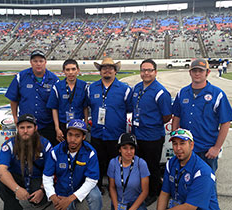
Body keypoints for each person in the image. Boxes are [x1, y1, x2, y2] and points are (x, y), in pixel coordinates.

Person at [172, 58, 232, 172]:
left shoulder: (217, 94)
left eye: (201, 71)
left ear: (208, 72)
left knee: (206, 185)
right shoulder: (182, 93)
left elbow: (226, 123)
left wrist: (216, 148)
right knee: (184, 182)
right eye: (194, 70)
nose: (197, 74)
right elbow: (176, 117)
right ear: (190, 72)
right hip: (185, 149)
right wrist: (175, 143)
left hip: (207, 151)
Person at [87, 57, 133, 193]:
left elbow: (129, 108)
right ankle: (97, 186)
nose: (107, 70)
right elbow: (89, 107)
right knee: (97, 162)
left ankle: (117, 187)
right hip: (97, 133)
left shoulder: (125, 89)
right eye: (104, 68)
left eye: (110, 68)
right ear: (100, 71)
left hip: (115, 134)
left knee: (116, 164)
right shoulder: (92, 88)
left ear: (115, 71)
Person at [131, 59, 172, 206]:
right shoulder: (137, 88)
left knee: (152, 166)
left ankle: (154, 192)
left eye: (149, 70)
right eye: (143, 70)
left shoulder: (161, 92)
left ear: (155, 72)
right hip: (138, 134)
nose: (146, 73)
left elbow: (167, 116)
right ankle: (144, 189)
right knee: (141, 165)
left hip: (152, 136)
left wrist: (152, 123)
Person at [0, 114, 52, 210]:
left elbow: (51, 170)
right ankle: (13, 207)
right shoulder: (9, 145)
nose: (25, 131)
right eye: (22, 128)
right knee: (0, 184)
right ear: (17, 128)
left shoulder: (45, 144)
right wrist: (16, 189)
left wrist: (42, 190)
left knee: (39, 201)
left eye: (29, 127)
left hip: (36, 178)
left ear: (35, 128)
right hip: (18, 177)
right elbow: (0, 169)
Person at [42, 119, 102, 210]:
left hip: (82, 185)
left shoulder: (90, 152)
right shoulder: (55, 151)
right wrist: (52, 196)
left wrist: (71, 198)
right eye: (70, 135)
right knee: (66, 206)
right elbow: (47, 176)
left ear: (83, 137)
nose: (73, 139)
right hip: (62, 189)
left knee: (96, 196)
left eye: (77, 136)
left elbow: (92, 180)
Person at [5, 50, 59, 146]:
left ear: (45, 62)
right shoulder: (20, 77)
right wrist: (15, 117)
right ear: (31, 62)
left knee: (48, 153)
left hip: (47, 124)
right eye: (35, 61)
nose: (38, 64)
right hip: (27, 126)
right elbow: (13, 99)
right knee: (27, 154)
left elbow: (58, 104)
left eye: (41, 61)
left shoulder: (54, 79)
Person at [156, 128, 219, 210]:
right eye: (175, 144)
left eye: (182, 143)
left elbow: (190, 207)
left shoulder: (203, 172)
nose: (178, 148)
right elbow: (164, 193)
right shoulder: (171, 163)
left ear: (191, 145)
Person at [47, 59, 88, 143]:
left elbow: (85, 107)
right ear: (63, 71)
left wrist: (86, 123)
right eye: (68, 70)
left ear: (78, 70)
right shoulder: (57, 87)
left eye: (73, 69)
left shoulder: (84, 86)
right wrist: (57, 128)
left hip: (78, 124)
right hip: (62, 124)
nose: (71, 72)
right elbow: (54, 109)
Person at [107, 133, 150, 210]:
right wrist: (116, 207)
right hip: (119, 203)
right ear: (119, 149)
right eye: (125, 148)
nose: (129, 151)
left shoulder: (141, 163)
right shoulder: (113, 163)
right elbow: (112, 187)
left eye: (131, 148)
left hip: (136, 204)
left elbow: (145, 191)